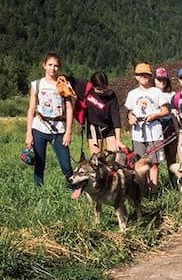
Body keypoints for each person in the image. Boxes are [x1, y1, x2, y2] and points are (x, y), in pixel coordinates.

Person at [25, 52, 74, 188]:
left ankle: (73, 192)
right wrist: (29, 133)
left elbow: (69, 109)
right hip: (39, 128)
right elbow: (31, 109)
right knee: (39, 163)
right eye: (50, 65)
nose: (53, 68)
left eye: (56, 66)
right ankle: (38, 193)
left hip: (59, 129)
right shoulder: (36, 84)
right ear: (44, 65)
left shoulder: (64, 84)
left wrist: (68, 131)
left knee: (66, 165)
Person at [125, 62, 169, 189]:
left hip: (154, 130)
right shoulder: (132, 94)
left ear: (150, 76)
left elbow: (165, 110)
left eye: (146, 74)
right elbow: (129, 111)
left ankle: (154, 189)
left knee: (154, 163)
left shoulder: (157, 92)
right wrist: (131, 117)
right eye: (140, 74)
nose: (143, 77)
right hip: (138, 133)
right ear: (136, 76)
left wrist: (154, 116)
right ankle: (142, 189)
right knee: (139, 163)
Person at [83, 71, 126, 155]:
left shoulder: (111, 95)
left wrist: (118, 140)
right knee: (96, 159)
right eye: (99, 89)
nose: (102, 91)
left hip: (108, 127)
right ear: (93, 86)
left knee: (113, 157)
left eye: (104, 88)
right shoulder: (87, 91)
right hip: (94, 128)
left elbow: (116, 117)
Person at [155, 67, 178, 187]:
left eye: (164, 79)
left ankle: (173, 181)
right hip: (156, 126)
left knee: (171, 156)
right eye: (159, 79)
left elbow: (174, 113)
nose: (162, 82)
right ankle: (153, 183)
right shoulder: (151, 94)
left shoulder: (171, 94)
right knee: (155, 158)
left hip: (169, 125)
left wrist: (177, 128)